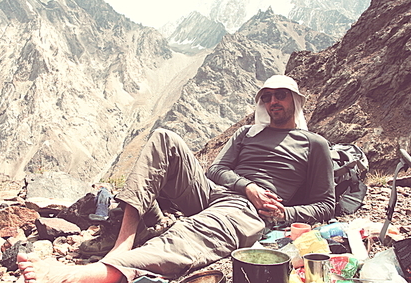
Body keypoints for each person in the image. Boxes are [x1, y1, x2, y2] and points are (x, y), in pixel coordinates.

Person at [17, 74, 335, 283]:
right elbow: (215, 171)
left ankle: (95, 274)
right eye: (266, 97)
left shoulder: (313, 144)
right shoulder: (246, 134)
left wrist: (285, 213)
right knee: (164, 138)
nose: (272, 102)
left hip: (247, 213)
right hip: (214, 193)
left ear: (294, 99)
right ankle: (124, 241)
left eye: (280, 95)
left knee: (194, 231)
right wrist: (247, 186)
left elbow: (326, 204)